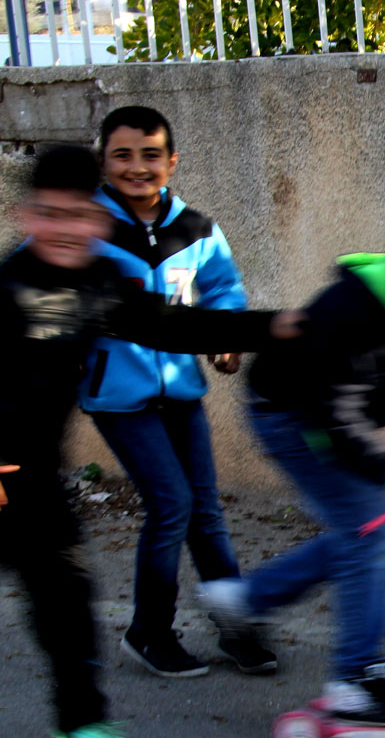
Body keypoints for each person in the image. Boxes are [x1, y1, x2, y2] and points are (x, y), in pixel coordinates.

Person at [0, 144, 300, 738]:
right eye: (50, 215)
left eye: (77, 215)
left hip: (31, 477)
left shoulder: (99, 284)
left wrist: (275, 327)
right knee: (60, 584)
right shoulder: (10, 292)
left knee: (66, 590)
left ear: (97, 221)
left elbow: (177, 329)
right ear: (27, 217)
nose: (64, 229)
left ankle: (79, 729)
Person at [203, 205, 385, 726]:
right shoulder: (349, 313)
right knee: (366, 528)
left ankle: (244, 602)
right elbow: (336, 423)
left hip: (339, 418)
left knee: (364, 530)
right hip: (291, 413)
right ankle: (354, 681)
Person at [83, 105, 274, 678]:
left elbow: (223, 290)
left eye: (150, 155)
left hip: (181, 392)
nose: (137, 167)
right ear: (103, 162)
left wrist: (226, 338)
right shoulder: (86, 229)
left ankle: (234, 626)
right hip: (118, 397)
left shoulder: (197, 229)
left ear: (171, 162)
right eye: (122, 155)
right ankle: (149, 632)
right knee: (172, 505)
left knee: (205, 512)